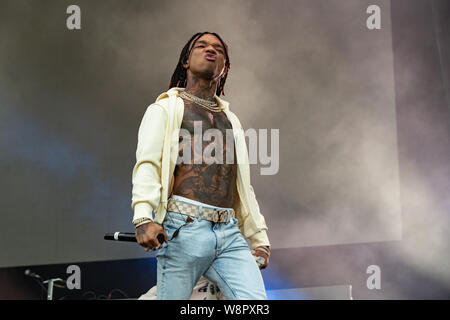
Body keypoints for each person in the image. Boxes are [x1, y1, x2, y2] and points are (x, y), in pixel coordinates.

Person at [131, 31, 270, 300]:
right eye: (202, 45)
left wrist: (259, 237)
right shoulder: (165, 109)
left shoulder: (231, 120)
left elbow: (241, 184)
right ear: (185, 60)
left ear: (225, 67)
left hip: (228, 232)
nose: (211, 50)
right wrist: (143, 217)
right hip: (183, 227)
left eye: (219, 49)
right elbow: (147, 163)